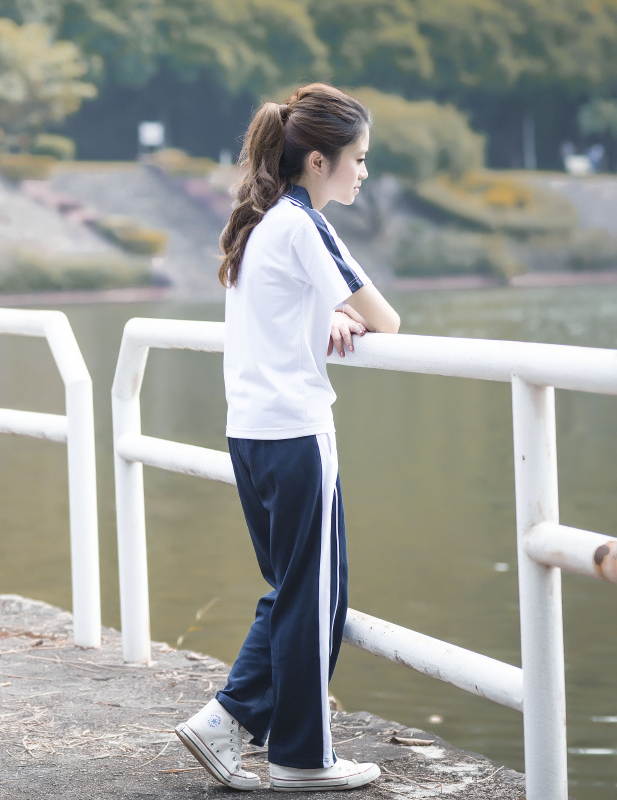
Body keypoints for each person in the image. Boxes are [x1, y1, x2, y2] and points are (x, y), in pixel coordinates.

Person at [174, 84, 401, 792]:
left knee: (302, 592)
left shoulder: (261, 223)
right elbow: (386, 320)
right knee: (310, 597)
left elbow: (297, 305)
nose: (363, 172)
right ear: (316, 161)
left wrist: (330, 308)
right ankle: (297, 754)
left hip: (252, 433)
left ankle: (235, 724)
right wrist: (345, 310)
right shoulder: (304, 225)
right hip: (298, 433)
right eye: (357, 159)